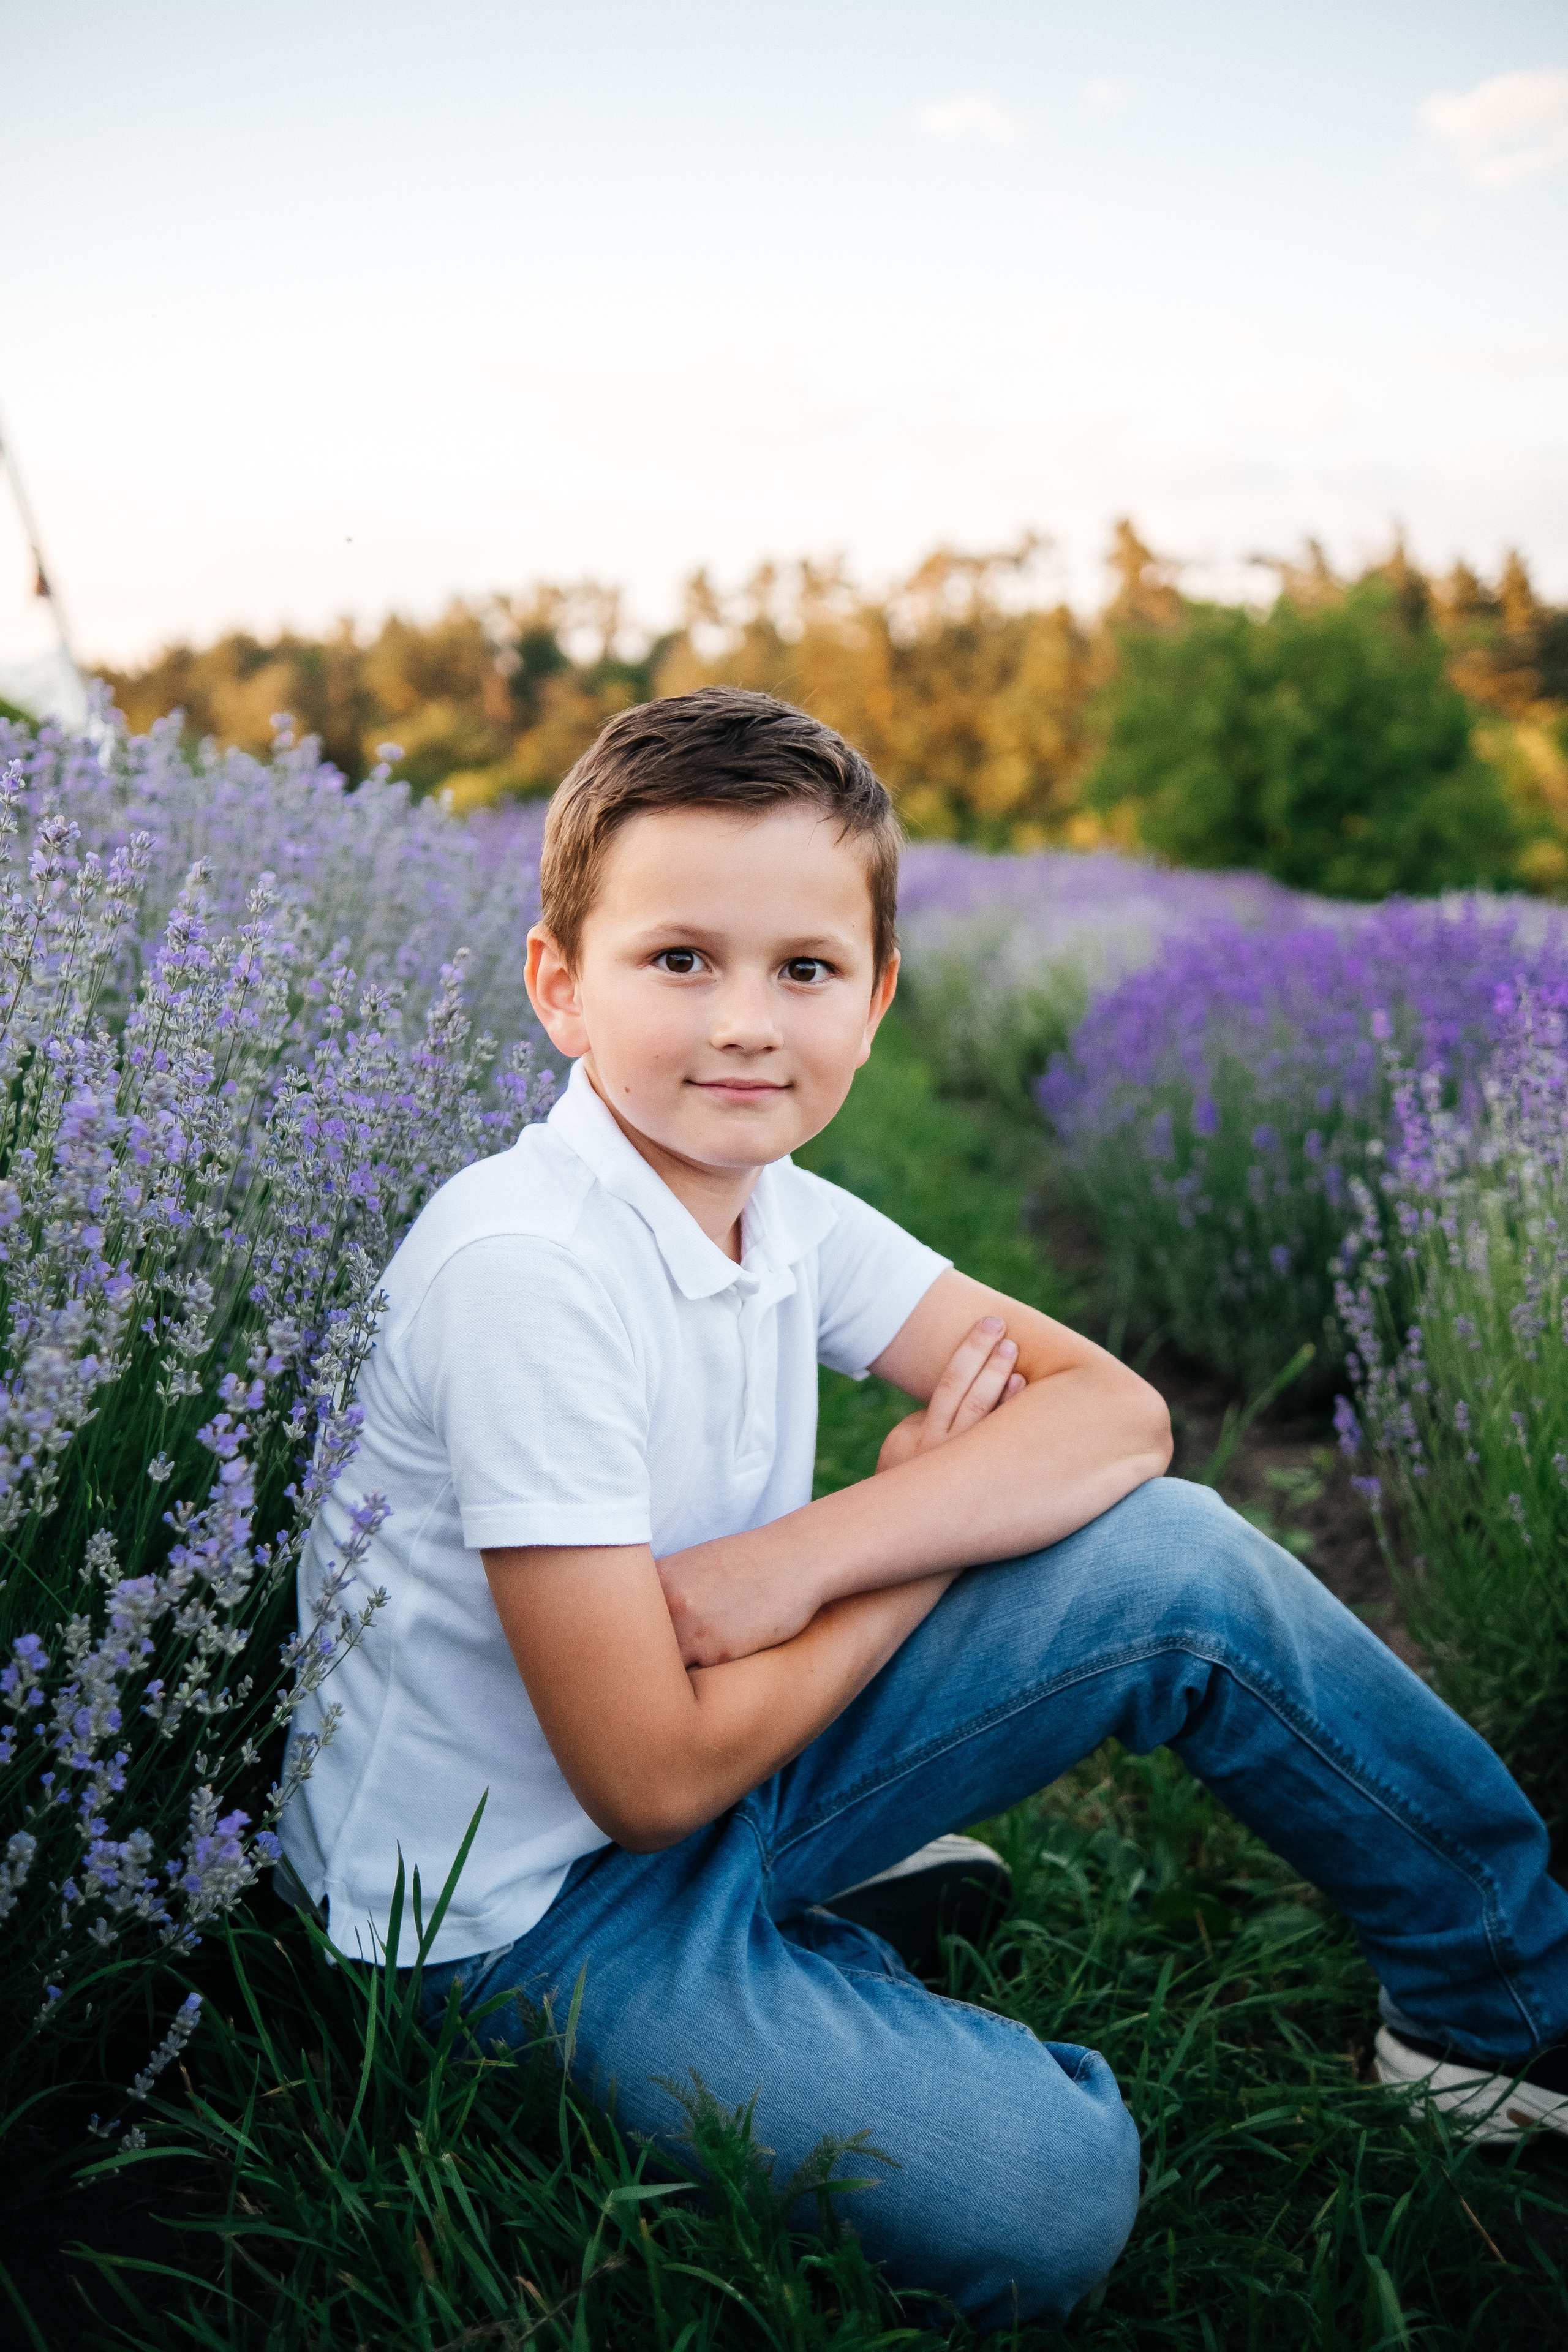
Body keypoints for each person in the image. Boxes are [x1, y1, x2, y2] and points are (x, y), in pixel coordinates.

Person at [279, 687, 1568, 2331]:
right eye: (681, 960)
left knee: (1177, 1558)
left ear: (876, 1002)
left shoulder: (784, 1211)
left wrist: (812, 1554)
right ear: (560, 988)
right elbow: (651, 1777)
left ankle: (1500, 2001)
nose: (747, 1021)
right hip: (514, 1918)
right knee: (1052, 2199)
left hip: (711, 1736)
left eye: (804, 970)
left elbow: (1122, 1420)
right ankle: (792, 1948)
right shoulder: (528, 1270)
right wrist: (912, 1530)